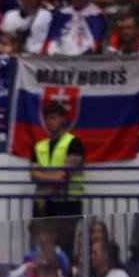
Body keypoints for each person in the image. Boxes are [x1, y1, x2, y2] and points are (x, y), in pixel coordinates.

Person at [30, 101, 85, 255]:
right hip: (43, 206)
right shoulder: (39, 146)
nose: (49, 122)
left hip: (67, 203)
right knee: (41, 248)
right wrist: (55, 177)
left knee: (65, 247)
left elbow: (65, 175)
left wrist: (46, 190)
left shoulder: (74, 143)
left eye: (53, 118)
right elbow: (33, 175)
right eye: (47, 119)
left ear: (63, 119)